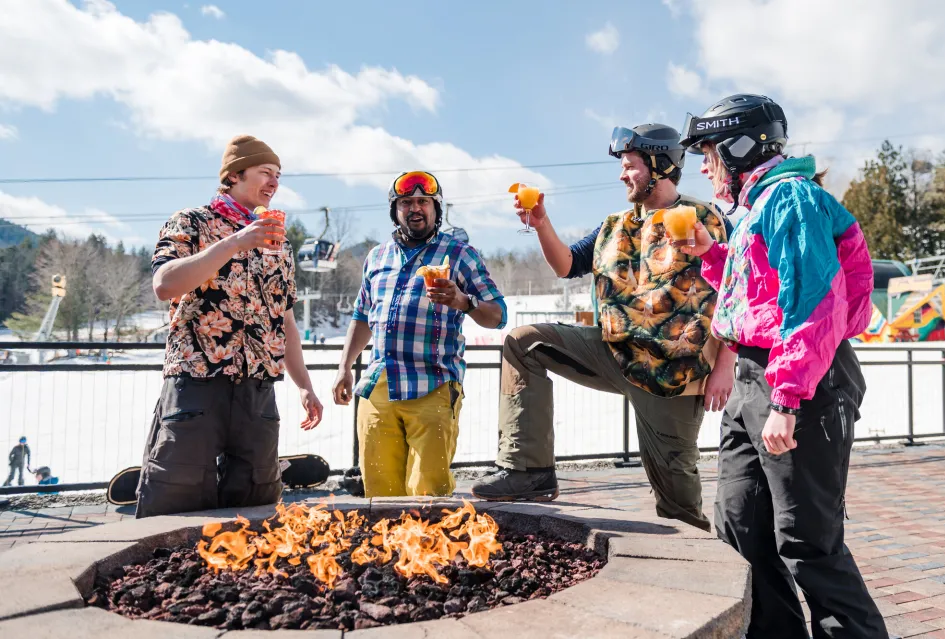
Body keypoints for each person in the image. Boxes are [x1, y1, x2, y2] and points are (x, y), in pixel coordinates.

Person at [678, 93, 887, 637]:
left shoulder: (790, 197)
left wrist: (786, 400)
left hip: (798, 381)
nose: (702, 166)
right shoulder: (757, 206)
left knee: (807, 544)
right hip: (754, 376)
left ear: (738, 147)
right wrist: (710, 253)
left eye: (708, 151)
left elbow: (814, 304)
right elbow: (761, 292)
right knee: (743, 529)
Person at [471, 124, 735, 532]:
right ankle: (528, 469)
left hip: (675, 374)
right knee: (525, 342)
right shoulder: (613, 224)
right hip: (612, 351)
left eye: (629, 166)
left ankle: (705, 577)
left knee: (679, 507)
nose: (622, 175)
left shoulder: (704, 218)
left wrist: (726, 364)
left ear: (659, 166)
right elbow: (565, 265)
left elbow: (739, 290)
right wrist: (541, 223)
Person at [136, 134, 323, 519]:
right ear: (234, 176)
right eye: (265, 172)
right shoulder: (191, 221)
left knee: (256, 504)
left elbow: (284, 317)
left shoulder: (279, 244)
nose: (274, 183)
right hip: (197, 384)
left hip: (258, 390)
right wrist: (235, 242)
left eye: (278, 175)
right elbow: (164, 284)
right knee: (177, 498)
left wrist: (305, 386)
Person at [332, 171, 507, 497]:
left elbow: (498, 316)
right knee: (379, 498)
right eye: (406, 202)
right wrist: (344, 367)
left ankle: (427, 549)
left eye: (423, 202)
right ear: (394, 210)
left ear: (436, 209)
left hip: (434, 385)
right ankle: (386, 550)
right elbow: (361, 316)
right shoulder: (377, 256)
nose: (415, 208)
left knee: (428, 498)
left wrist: (462, 301)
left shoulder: (459, 255)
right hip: (378, 387)